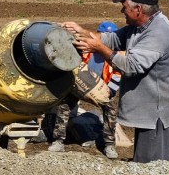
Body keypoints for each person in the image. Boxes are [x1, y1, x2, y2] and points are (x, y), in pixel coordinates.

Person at [63, 0, 169, 163]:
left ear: (138, 9)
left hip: (159, 116)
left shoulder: (159, 32)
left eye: (124, 7)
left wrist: (99, 48)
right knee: (144, 164)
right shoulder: (139, 27)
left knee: (151, 168)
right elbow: (112, 39)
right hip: (149, 112)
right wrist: (83, 33)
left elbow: (131, 65)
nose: (122, 11)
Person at [47, 21, 121, 159]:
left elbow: (117, 75)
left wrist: (109, 91)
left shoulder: (114, 55)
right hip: (79, 87)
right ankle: (58, 140)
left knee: (111, 109)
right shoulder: (85, 49)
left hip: (101, 90)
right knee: (64, 104)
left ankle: (109, 144)